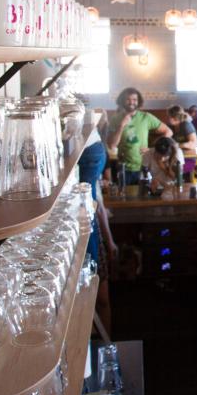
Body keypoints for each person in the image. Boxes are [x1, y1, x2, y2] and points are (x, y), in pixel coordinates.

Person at [77, 116, 116, 337]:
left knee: (102, 298)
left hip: (94, 229)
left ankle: (106, 345)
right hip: (80, 227)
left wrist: (109, 242)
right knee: (93, 300)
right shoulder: (91, 152)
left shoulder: (94, 153)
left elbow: (98, 203)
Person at [106, 87, 171, 184]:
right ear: (122, 101)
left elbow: (168, 131)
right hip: (124, 168)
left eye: (134, 100)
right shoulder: (115, 119)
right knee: (124, 197)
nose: (131, 102)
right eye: (128, 99)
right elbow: (112, 145)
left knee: (144, 197)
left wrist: (153, 149)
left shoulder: (146, 117)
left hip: (144, 167)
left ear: (138, 101)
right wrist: (121, 125)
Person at [166, 105, 197, 178]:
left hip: (188, 159)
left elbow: (194, 144)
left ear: (174, 117)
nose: (168, 119)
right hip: (175, 157)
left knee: (173, 170)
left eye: (169, 117)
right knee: (162, 167)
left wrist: (178, 145)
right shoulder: (171, 126)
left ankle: (180, 185)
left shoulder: (186, 125)